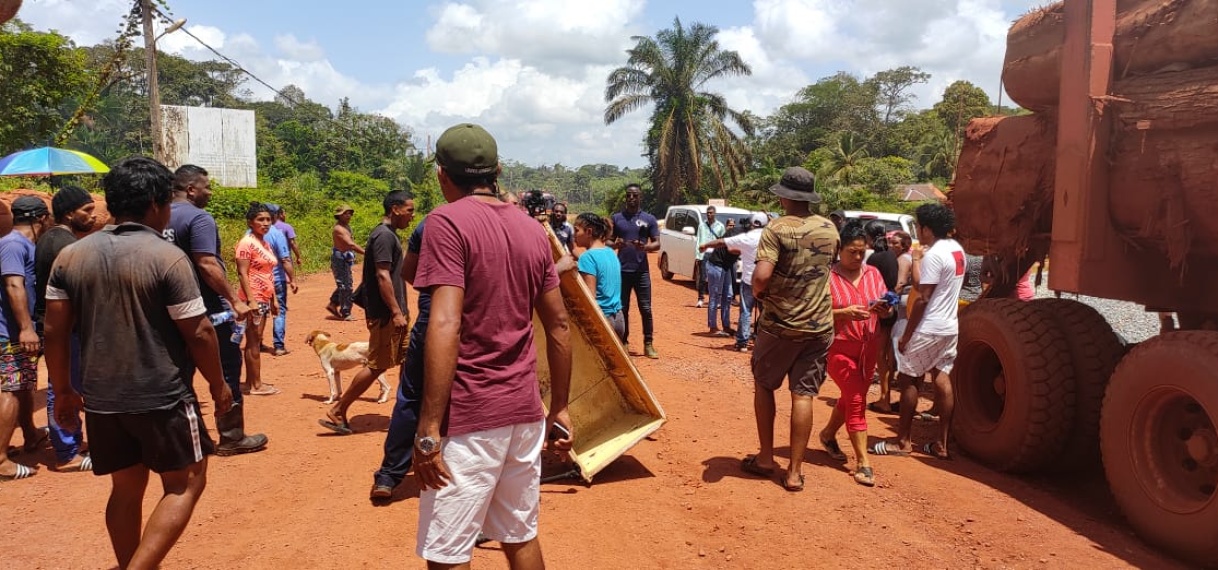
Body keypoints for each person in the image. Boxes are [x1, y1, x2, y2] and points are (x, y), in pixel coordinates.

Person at [43, 156, 234, 569]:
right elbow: (199, 333)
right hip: (161, 393)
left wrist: (62, 390)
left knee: (125, 489)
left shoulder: (71, 257)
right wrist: (219, 386)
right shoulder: (166, 257)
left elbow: (54, 332)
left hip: (101, 396)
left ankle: (131, 561)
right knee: (186, 482)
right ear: (154, 202)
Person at [412, 123, 572, 568]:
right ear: (497, 170)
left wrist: (427, 430)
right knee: (519, 535)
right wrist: (559, 406)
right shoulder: (530, 229)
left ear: (443, 175)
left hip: (472, 413)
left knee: (448, 551)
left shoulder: (446, 222)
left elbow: (445, 321)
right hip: (524, 411)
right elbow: (558, 325)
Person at [740, 167, 838, 493]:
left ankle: (767, 458)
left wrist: (757, 291)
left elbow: (762, 277)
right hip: (820, 325)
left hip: (781, 326)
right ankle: (795, 472)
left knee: (764, 385)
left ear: (784, 196)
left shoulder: (776, 229)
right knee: (804, 394)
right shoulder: (830, 228)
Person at [165, 164, 268, 456]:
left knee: (181, 375)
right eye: (207, 187)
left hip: (171, 312)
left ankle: (193, 438)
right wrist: (235, 301)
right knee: (226, 369)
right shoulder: (199, 218)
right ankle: (231, 436)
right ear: (191, 189)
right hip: (206, 310)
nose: (210, 193)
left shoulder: (158, 216)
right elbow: (207, 264)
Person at [872, 203, 965, 460]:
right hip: (949, 325)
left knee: (909, 379)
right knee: (942, 379)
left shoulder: (935, 255)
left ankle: (903, 442)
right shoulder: (958, 250)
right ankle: (941, 444)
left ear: (926, 228)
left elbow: (923, 297)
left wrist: (906, 336)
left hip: (929, 326)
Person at [319, 192, 414, 435]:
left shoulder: (389, 234)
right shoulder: (383, 236)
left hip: (395, 312)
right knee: (376, 364)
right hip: (386, 315)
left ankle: (406, 411)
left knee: (407, 359)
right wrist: (395, 311)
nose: (412, 216)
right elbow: (382, 276)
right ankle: (338, 410)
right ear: (395, 209)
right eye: (409, 210)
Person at [820, 221, 892, 487]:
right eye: (853, 251)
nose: (858, 257)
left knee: (851, 395)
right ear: (840, 249)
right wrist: (843, 313)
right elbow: (815, 313)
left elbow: (885, 302)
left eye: (862, 252)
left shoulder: (873, 273)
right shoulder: (827, 277)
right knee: (857, 399)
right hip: (838, 348)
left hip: (869, 348)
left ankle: (828, 434)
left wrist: (886, 310)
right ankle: (863, 462)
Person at [34, 186, 96, 472]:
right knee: (61, 387)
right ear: (70, 214)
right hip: (64, 328)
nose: (92, 216)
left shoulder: (52, 238)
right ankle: (66, 452)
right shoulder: (64, 245)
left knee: (67, 385)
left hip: (62, 326)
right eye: (87, 211)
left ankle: (71, 439)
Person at [370, 213, 430, 500]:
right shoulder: (510, 225)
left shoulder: (432, 222)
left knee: (412, 396)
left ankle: (390, 474)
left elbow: (408, 273)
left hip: (433, 321)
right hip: (480, 327)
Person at [0, 196, 51, 481]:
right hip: (9, 331)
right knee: (11, 387)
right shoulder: (12, 244)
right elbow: (13, 284)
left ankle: (30, 434)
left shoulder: (22, 245)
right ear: (41, 218)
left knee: (23, 385)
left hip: (16, 330)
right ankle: (1, 459)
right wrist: (25, 327)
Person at [702, 213, 767, 352]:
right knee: (765, 311)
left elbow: (721, 243)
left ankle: (742, 342)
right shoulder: (771, 237)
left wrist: (705, 245)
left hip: (749, 280)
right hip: (765, 280)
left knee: (745, 311)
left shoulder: (746, 237)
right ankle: (763, 341)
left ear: (751, 223)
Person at [235, 202, 281, 396]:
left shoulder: (264, 243)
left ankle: (249, 382)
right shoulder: (246, 243)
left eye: (268, 219)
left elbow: (268, 272)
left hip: (264, 297)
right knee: (254, 341)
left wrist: (274, 300)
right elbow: (242, 273)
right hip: (253, 297)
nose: (265, 223)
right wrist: (251, 301)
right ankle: (256, 385)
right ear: (250, 222)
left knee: (255, 339)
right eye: (260, 219)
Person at [611, 184, 660, 359]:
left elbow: (657, 243)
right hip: (622, 271)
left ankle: (648, 344)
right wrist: (615, 244)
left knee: (645, 308)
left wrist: (645, 247)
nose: (631, 198)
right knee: (623, 308)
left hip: (642, 271)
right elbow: (607, 241)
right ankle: (624, 342)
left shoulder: (649, 219)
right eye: (628, 195)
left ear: (640, 197)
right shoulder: (617, 218)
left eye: (635, 195)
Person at [872, 230, 914, 413]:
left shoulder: (904, 260)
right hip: (901, 308)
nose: (891, 246)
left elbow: (900, 284)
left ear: (904, 245)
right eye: (890, 242)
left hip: (900, 309)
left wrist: (884, 304)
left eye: (895, 243)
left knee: (887, 353)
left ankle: (886, 399)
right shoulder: (903, 258)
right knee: (890, 354)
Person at [573, 212, 624, 341]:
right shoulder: (610, 252)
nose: (574, 235)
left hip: (602, 320)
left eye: (576, 230)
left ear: (589, 232)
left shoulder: (587, 257)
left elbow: (590, 296)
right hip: (618, 318)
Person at [264, 204, 298, 356]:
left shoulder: (249, 233)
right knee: (279, 311)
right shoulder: (277, 234)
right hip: (277, 278)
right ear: (276, 215)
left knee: (260, 311)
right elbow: (285, 259)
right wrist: (292, 279)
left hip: (257, 280)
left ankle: (256, 342)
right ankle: (278, 346)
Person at [326, 204, 364, 320]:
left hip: (345, 258)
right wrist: (366, 252)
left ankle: (333, 304)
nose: (349, 215)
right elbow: (350, 244)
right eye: (346, 213)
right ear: (339, 216)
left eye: (350, 213)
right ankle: (346, 312)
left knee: (345, 283)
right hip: (339, 259)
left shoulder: (347, 227)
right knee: (345, 285)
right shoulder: (338, 229)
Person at [702, 217, 738, 336]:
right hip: (716, 265)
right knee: (715, 296)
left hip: (726, 266)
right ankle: (713, 327)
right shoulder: (735, 236)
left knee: (728, 296)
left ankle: (726, 325)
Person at [694, 206, 726, 308]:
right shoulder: (702, 226)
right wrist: (697, 256)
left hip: (715, 255)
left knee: (716, 278)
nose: (709, 214)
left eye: (711, 213)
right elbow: (698, 240)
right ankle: (700, 299)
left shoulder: (720, 226)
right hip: (704, 255)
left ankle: (716, 300)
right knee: (702, 277)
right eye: (708, 213)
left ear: (715, 214)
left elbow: (723, 242)